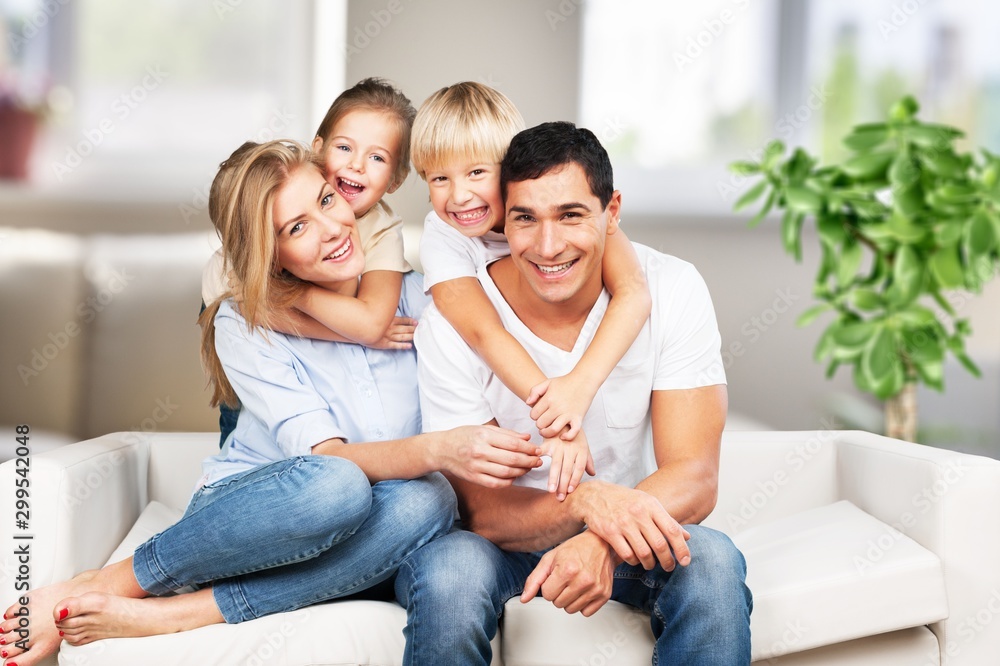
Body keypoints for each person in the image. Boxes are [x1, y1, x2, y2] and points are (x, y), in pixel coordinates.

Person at [0, 140, 542, 666]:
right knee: (339, 483)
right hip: (256, 523)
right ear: (270, 253)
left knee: (432, 505)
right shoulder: (246, 322)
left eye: (326, 201)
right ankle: (110, 583)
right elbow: (331, 460)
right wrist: (438, 449)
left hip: (382, 535)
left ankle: (186, 614)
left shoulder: (425, 298)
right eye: (296, 229)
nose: (331, 230)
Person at [395, 122, 753, 665]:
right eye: (525, 219)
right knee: (449, 571)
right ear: (501, 220)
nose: (548, 245)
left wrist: (603, 538)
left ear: (611, 212)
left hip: (626, 530)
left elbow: (696, 477)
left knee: (712, 562)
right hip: (500, 544)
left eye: (570, 215)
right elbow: (485, 511)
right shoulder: (452, 324)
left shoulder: (672, 287)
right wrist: (586, 501)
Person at [410, 82, 653, 500]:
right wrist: (558, 419)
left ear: (509, 169)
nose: (459, 195)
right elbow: (484, 331)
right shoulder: (444, 236)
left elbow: (634, 292)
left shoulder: (567, 206)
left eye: (476, 172)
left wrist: (578, 388)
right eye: (439, 178)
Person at [202, 77, 419, 446]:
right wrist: (294, 296)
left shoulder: (381, 229)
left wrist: (292, 294)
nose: (357, 165)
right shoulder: (243, 250)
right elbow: (249, 311)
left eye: (377, 157)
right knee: (244, 420)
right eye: (345, 147)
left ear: (396, 180)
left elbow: (369, 324)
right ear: (318, 150)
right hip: (256, 357)